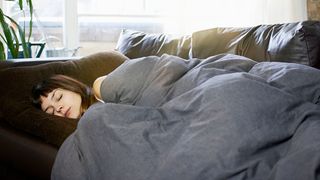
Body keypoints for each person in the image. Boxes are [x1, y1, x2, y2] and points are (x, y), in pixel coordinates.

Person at [31, 74, 105, 119]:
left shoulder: (99, 87)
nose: (58, 109)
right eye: (51, 112)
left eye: (59, 97)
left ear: (71, 86)